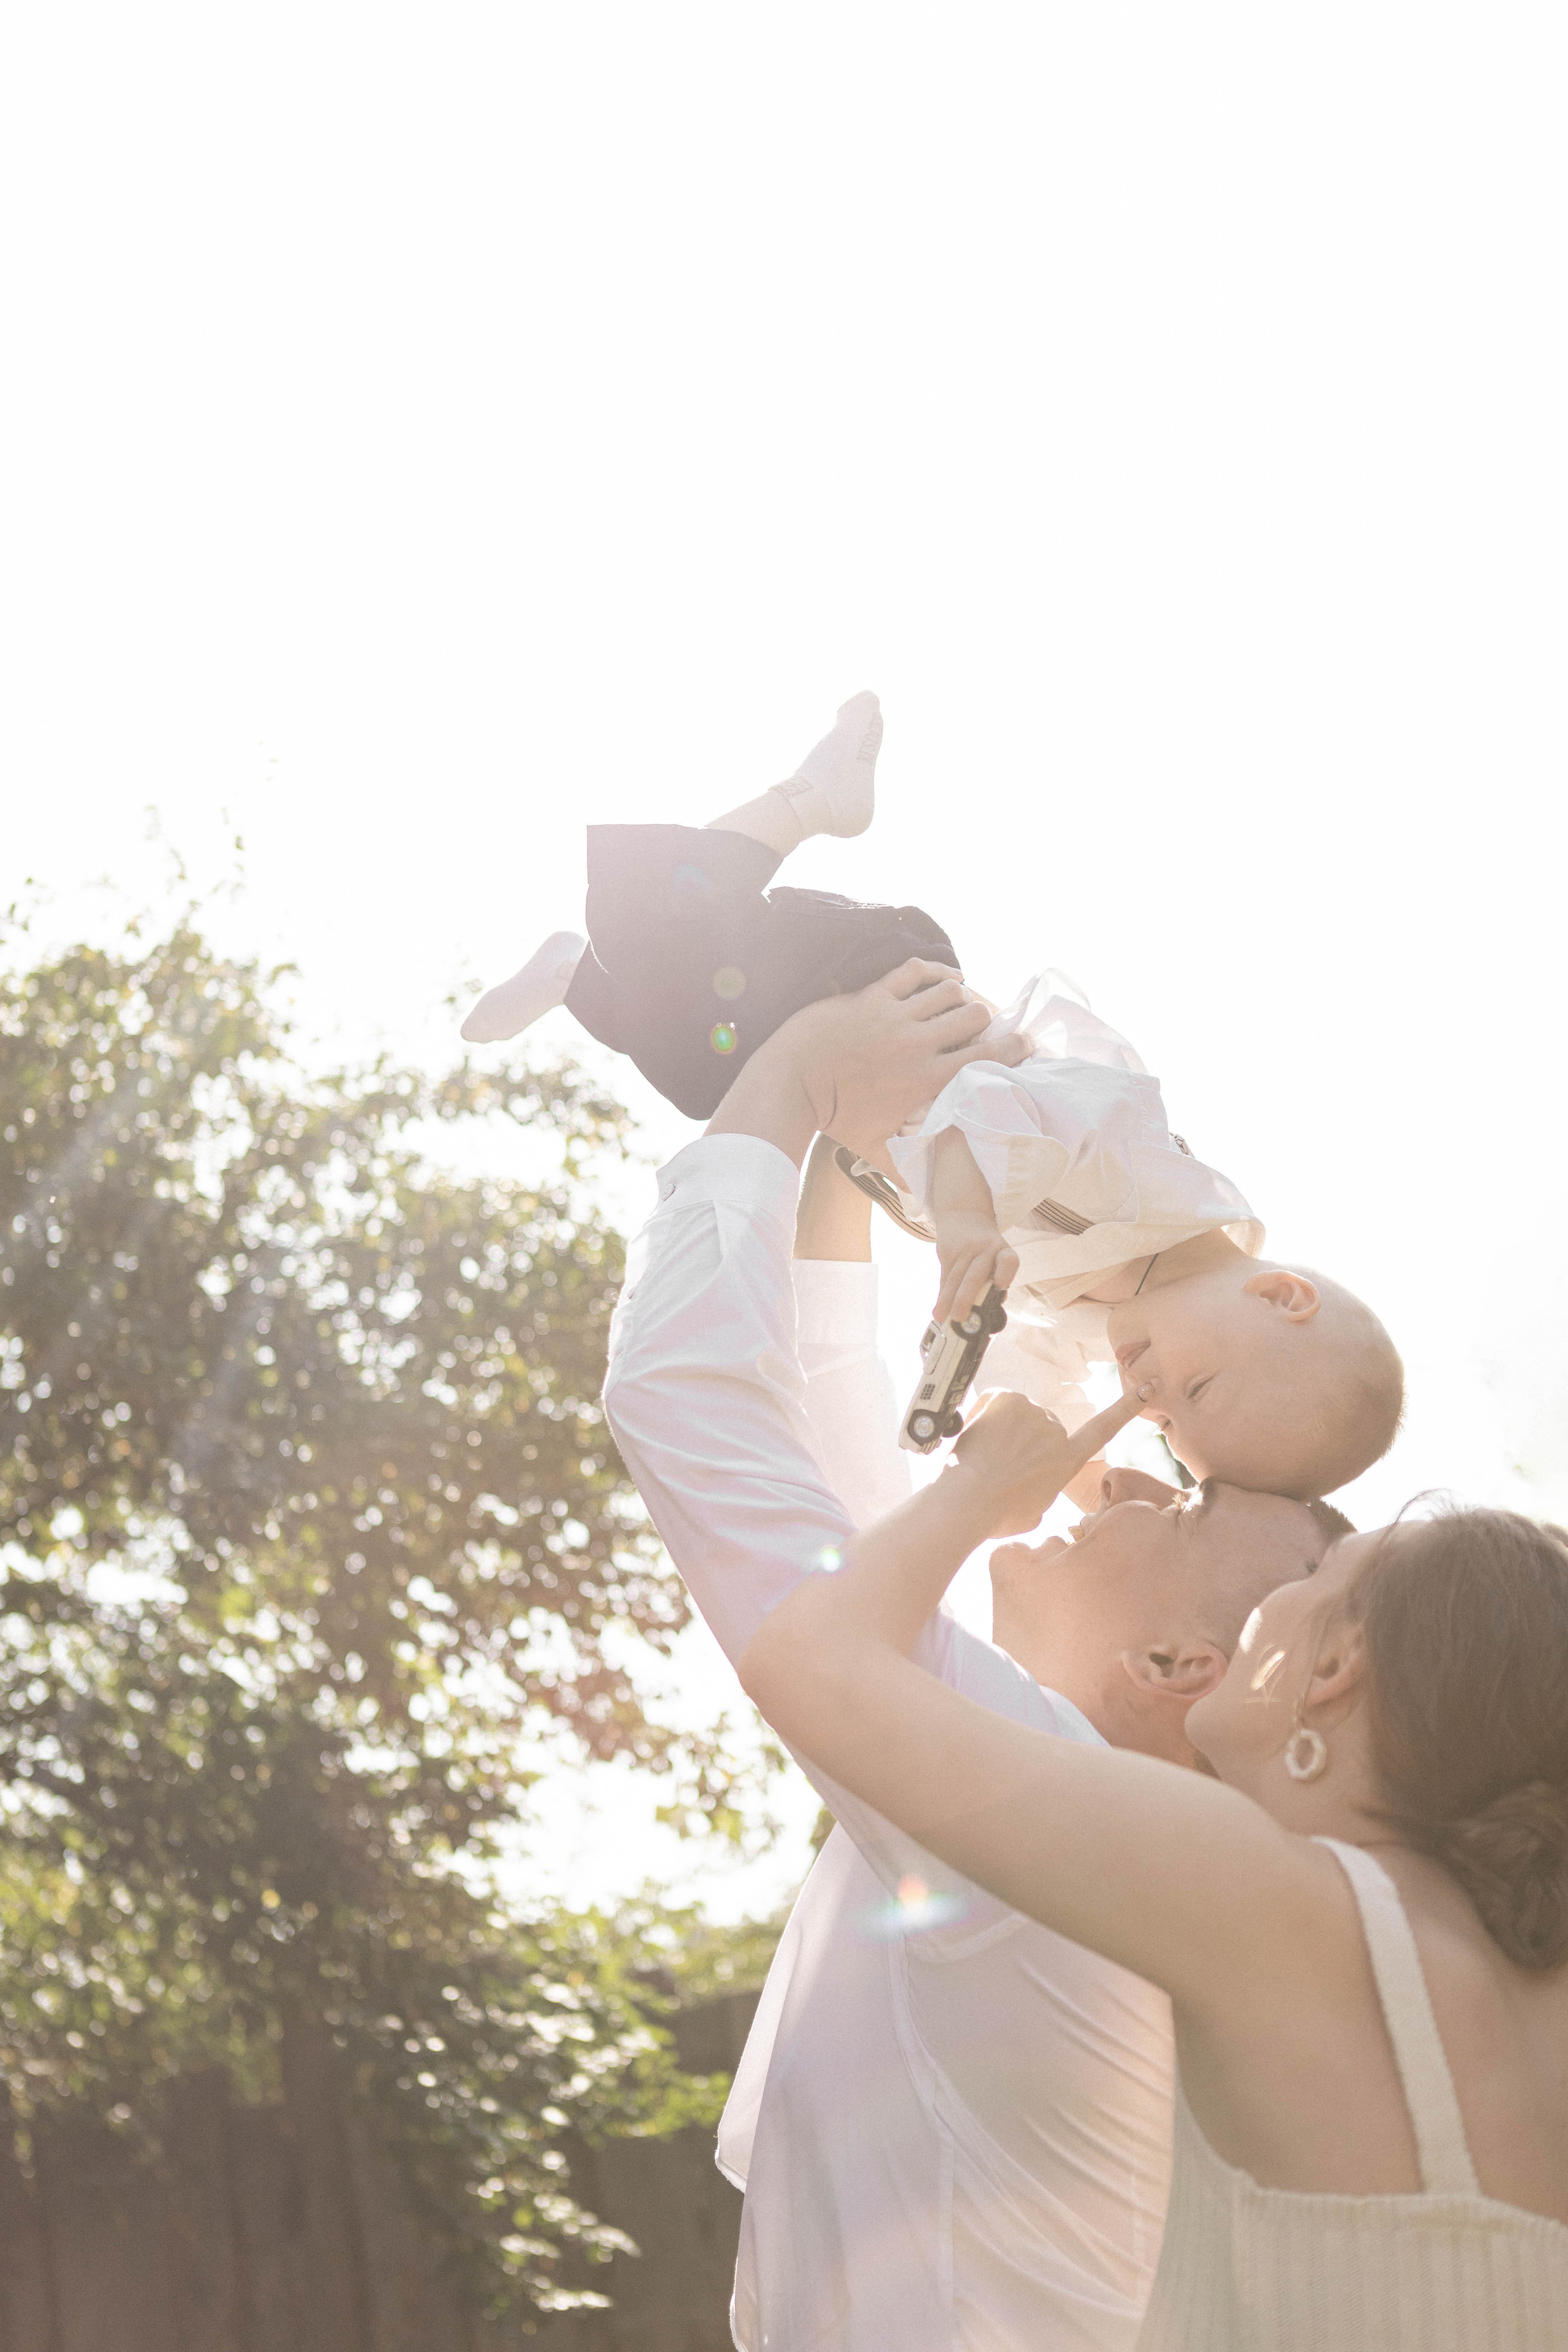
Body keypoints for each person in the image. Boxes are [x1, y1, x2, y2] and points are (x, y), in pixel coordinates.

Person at [603, 963, 1353, 2352]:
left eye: (1179, 1497)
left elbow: (691, 1418)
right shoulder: (1068, 1824)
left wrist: (789, 1077)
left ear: (1180, 1663)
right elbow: (835, 1465)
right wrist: (841, 1135)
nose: (1121, 1478)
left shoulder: (1045, 1836)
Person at [741, 1398, 1568, 2346]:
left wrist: (978, 1491)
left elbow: (809, 1661)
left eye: (1309, 1584)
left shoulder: (1275, 1903)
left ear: (1337, 1662)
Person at [468, 690, 1401, 1498]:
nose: (1149, 1394)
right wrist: (963, 1221)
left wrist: (1084, 1482)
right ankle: (808, 800)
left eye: (1165, 1427)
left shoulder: (1095, 1317)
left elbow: (1030, 1382)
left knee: (692, 1068)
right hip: (886, 988)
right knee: (656, 930)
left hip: (856, 1080)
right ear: (1281, 1294)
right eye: (1193, 1390)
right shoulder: (1144, 1174)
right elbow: (989, 1109)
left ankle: (577, 980)